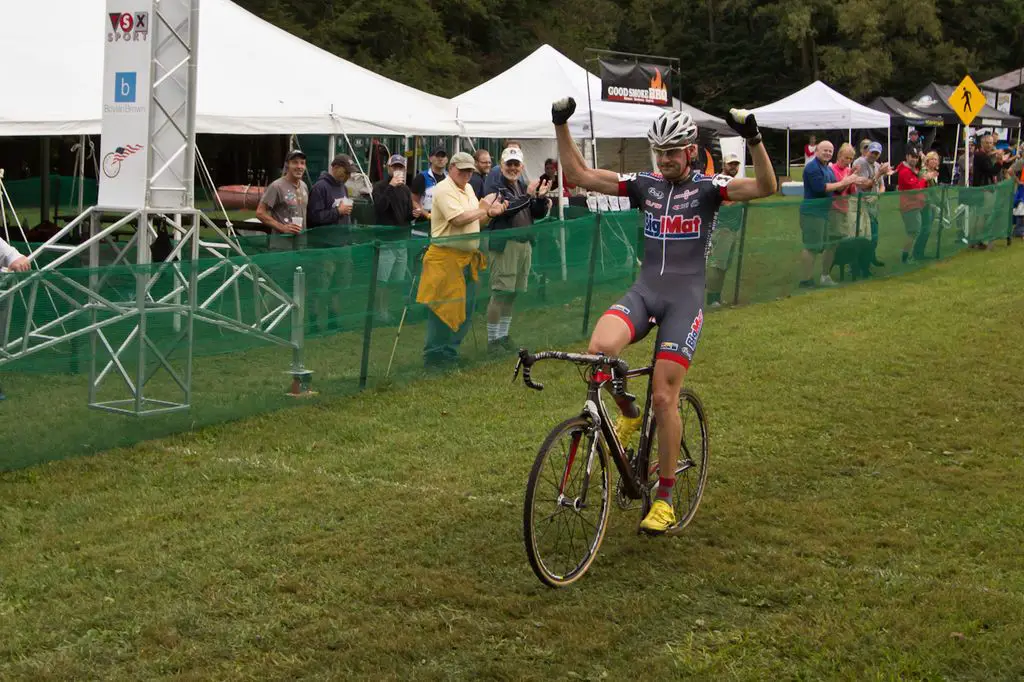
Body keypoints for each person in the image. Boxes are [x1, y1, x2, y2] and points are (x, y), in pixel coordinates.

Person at [552, 95, 778, 534]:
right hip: (645, 292)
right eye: (659, 152)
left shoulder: (711, 189)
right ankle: (628, 414)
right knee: (599, 350)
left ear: (691, 150)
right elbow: (579, 175)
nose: (666, 159)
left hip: (684, 301)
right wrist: (560, 124)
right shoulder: (645, 185)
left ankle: (665, 499)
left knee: (664, 397)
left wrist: (753, 138)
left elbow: (766, 186)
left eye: (673, 152)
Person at [415, 152, 506, 370]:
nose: (466, 174)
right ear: (452, 167)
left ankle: (450, 352)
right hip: (445, 259)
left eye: (469, 171)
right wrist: (483, 209)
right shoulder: (444, 189)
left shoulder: (469, 189)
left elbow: (476, 222)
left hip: (467, 260)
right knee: (442, 309)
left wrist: (491, 214)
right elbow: (457, 219)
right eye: (462, 170)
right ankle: (434, 357)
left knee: (465, 309)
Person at [482, 146, 551, 353]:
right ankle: (493, 340)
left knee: (513, 294)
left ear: (522, 167)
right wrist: (529, 197)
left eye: (516, 164)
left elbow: (534, 214)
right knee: (500, 293)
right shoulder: (495, 187)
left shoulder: (521, 186)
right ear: (501, 165)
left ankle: (503, 336)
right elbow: (508, 209)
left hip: (524, 244)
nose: (512, 168)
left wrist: (540, 199)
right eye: (509, 164)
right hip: (505, 247)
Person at [799, 141, 861, 288]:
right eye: (824, 150)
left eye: (830, 151)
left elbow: (838, 191)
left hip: (825, 213)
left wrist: (849, 179)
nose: (827, 153)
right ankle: (805, 280)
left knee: (826, 245)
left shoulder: (827, 169)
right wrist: (845, 181)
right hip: (812, 213)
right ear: (816, 151)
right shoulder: (812, 168)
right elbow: (821, 188)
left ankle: (822, 277)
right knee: (812, 246)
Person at [305, 153, 356, 331]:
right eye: (345, 171)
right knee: (320, 286)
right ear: (334, 167)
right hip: (324, 247)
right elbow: (313, 218)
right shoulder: (320, 188)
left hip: (342, 245)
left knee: (339, 286)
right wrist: (338, 212)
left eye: (349, 172)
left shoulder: (342, 187)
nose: (347, 176)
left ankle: (334, 320)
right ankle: (314, 323)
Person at [372, 154, 417, 322]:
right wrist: (390, 186)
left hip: (401, 240)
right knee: (382, 280)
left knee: (394, 279)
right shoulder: (379, 186)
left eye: (400, 167)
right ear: (388, 167)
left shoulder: (406, 190)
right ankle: (379, 312)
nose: (397, 170)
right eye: (394, 167)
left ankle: (387, 310)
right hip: (385, 241)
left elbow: (405, 216)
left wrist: (414, 214)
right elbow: (379, 208)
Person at [705, 151, 743, 307]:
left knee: (725, 264)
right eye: (730, 164)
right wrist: (741, 197)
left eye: (736, 164)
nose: (733, 167)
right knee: (717, 263)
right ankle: (712, 297)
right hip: (721, 228)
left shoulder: (735, 182)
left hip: (733, 229)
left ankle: (717, 295)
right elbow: (724, 203)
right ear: (723, 165)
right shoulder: (719, 181)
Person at [255, 150, 309, 251]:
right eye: (295, 162)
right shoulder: (276, 186)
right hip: (281, 246)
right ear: (287, 165)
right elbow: (260, 212)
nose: (299, 166)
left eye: (302, 163)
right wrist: (282, 227)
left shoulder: (304, 186)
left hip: (301, 245)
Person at [851, 141, 892, 266]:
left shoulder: (878, 165)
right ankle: (860, 264)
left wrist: (877, 196)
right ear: (866, 150)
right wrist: (880, 173)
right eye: (872, 152)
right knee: (864, 237)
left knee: (874, 237)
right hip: (861, 206)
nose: (873, 155)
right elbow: (865, 185)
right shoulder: (860, 163)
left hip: (873, 206)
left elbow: (882, 186)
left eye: (876, 153)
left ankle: (870, 258)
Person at [895, 148, 933, 264]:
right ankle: (905, 257)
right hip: (909, 206)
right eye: (912, 156)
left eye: (916, 157)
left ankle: (907, 256)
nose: (915, 159)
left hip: (915, 204)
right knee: (913, 231)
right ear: (907, 156)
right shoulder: (905, 172)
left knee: (914, 231)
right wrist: (924, 179)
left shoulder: (912, 169)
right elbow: (914, 188)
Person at [410, 148, 448, 239]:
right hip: (423, 224)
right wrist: (427, 215)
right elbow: (413, 200)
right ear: (430, 159)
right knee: (420, 252)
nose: (440, 159)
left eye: (443, 156)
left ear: (447, 160)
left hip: (443, 224)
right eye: (437, 156)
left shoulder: (449, 178)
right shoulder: (421, 177)